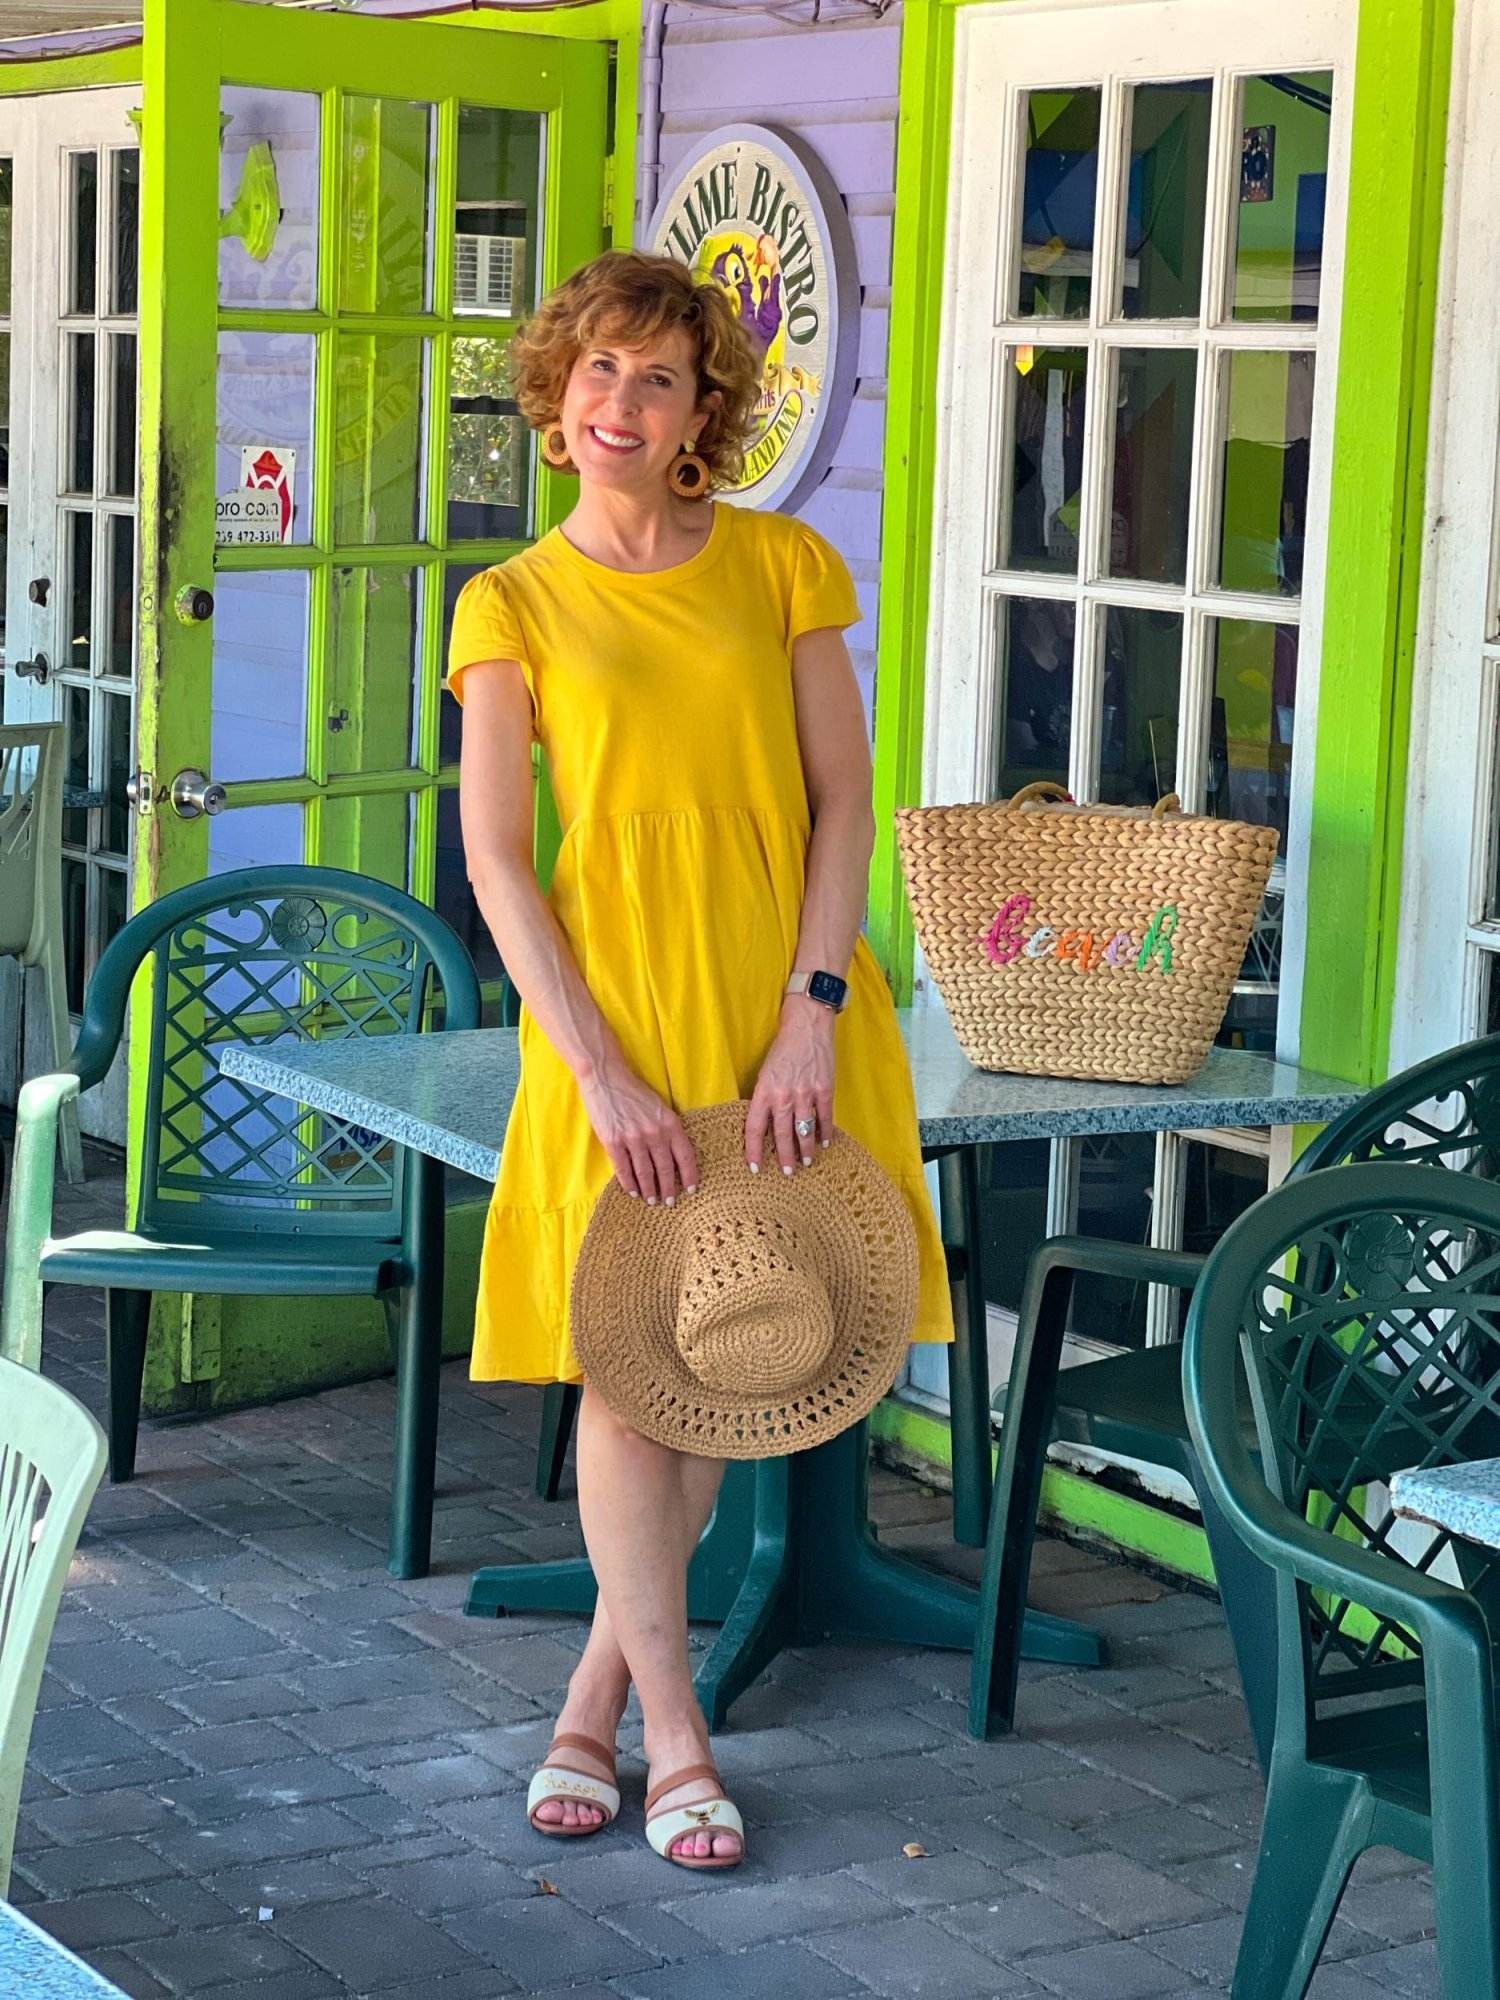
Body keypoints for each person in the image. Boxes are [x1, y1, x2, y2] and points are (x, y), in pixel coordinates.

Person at [449, 248, 953, 1870]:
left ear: (703, 410)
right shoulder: (509, 603)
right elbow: (503, 865)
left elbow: (838, 805)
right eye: (597, 371)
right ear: (555, 400)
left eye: (658, 376)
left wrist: (813, 1006)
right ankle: (678, 1738)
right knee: (628, 1372)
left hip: (777, 1017)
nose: (622, 401)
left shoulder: (785, 566)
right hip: (613, 1030)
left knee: (731, 1359)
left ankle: (591, 1705)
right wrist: (595, 1070)